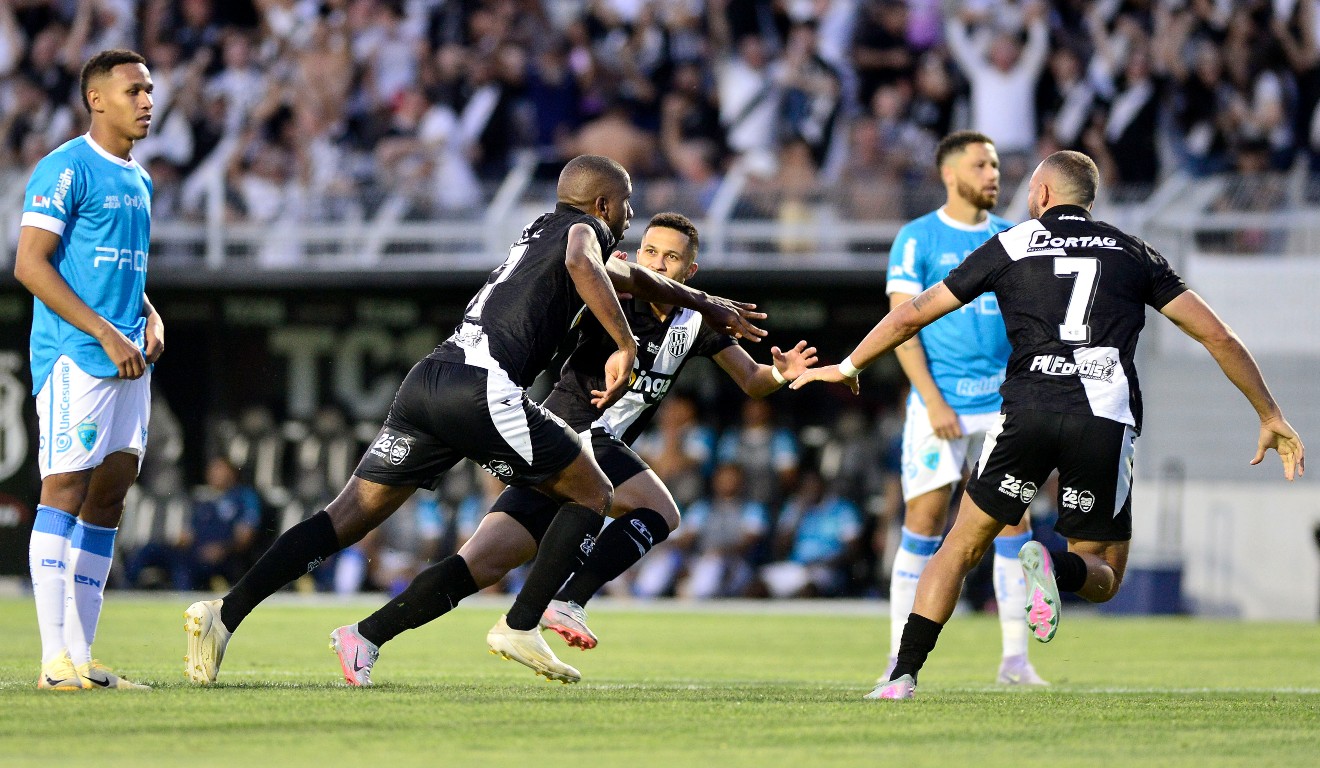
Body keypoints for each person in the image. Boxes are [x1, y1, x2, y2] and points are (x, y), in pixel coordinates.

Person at [183, 157, 767, 686]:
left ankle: (225, 614)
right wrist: (624, 344)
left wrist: (701, 304)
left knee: (347, 517)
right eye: (628, 205)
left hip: (431, 379)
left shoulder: (541, 229)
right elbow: (585, 261)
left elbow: (635, 279)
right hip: (483, 388)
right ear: (605, 206)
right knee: (594, 490)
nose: (630, 218)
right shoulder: (580, 234)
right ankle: (526, 622)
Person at [792, 150, 1305, 700]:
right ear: (1089, 199)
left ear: (1040, 195)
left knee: (960, 545)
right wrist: (1269, 413)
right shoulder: (1134, 251)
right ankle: (1055, 565)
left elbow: (913, 312)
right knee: (1102, 573)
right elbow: (1217, 336)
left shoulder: (1013, 242)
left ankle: (902, 677)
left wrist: (847, 367)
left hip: (1025, 412)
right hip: (1103, 418)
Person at [326, 211, 816, 685]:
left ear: (691, 270)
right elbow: (587, 272)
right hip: (569, 433)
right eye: (649, 250)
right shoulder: (614, 295)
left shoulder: (698, 320)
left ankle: (365, 636)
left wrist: (781, 372)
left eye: (671, 257)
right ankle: (561, 604)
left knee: (481, 564)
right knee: (660, 510)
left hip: (572, 456)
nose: (657, 263)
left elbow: (753, 380)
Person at [15, 49, 160, 692]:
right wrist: (103, 331)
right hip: (77, 357)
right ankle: (52, 661)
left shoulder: (140, 179)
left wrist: (149, 315)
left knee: (110, 496)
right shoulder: (65, 168)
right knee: (64, 491)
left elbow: (122, 269)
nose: (147, 101)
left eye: (150, 89)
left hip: (131, 356)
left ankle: (83, 657)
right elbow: (30, 264)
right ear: (96, 99)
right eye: (133, 90)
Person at [882, 130, 1045, 686]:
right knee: (923, 525)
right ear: (950, 174)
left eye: (996, 164)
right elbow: (902, 327)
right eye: (981, 165)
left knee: (1011, 524)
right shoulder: (917, 237)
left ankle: (1015, 662)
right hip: (941, 405)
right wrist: (931, 401)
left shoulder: (1014, 237)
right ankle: (895, 657)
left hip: (1003, 405)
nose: (993, 175)